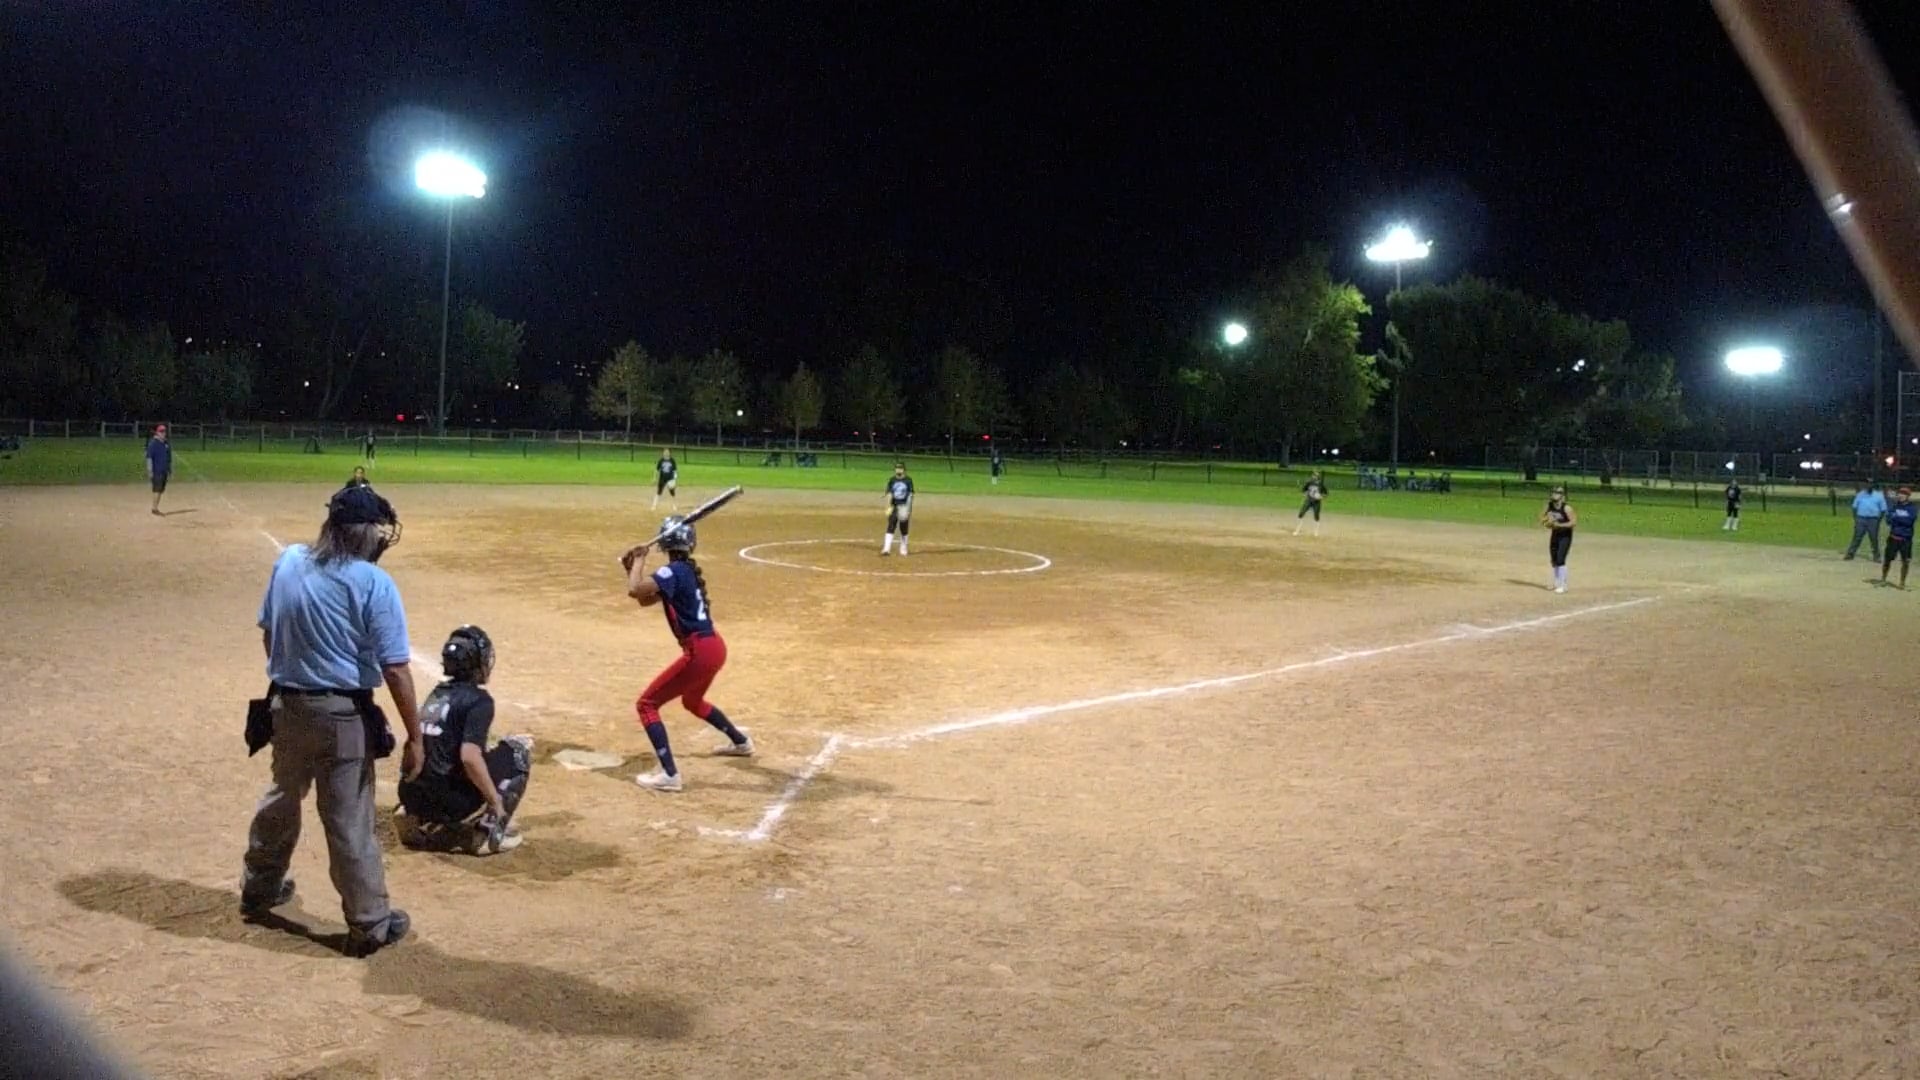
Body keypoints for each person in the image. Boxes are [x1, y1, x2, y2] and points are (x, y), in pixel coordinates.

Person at [241, 484, 420, 957]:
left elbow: (269, 634)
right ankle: (370, 923)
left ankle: (259, 887)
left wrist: (294, 674)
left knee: (282, 796)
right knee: (348, 821)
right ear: (364, 533)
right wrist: (415, 735)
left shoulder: (290, 560)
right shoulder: (372, 582)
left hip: (286, 707)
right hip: (342, 717)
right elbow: (395, 669)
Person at [621, 517, 752, 793]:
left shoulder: (673, 571)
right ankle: (741, 742)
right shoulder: (684, 571)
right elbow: (645, 599)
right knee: (692, 701)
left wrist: (640, 561)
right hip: (714, 647)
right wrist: (631, 568)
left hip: (700, 651)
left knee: (646, 704)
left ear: (665, 542)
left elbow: (635, 590)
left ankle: (670, 775)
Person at [396, 626, 532, 854]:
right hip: (450, 803)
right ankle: (488, 835)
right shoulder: (479, 700)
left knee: (440, 751)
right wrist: (495, 802)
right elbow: (469, 757)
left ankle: (412, 815)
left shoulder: (437, 694)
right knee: (518, 751)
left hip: (413, 795)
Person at [1540, 486, 1577, 594]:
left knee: (1561, 559)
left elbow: (1573, 522)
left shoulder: (1566, 508)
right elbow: (1541, 517)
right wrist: (1547, 521)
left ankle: (1563, 585)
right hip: (1555, 534)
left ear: (1562, 496)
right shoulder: (1549, 506)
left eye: (1557, 493)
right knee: (1554, 559)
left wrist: (1559, 525)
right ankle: (1557, 583)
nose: (1554, 495)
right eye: (1553, 493)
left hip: (1565, 536)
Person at [1880, 486, 1915, 590]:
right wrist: (1897, 517)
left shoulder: (1912, 508)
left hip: (1905, 539)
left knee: (1905, 561)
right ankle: (1883, 579)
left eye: (1904, 494)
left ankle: (1902, 582)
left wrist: (1896, 517)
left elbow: (1909, 521)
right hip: (1893, 537)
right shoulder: (1894, 506)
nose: (1901, 495)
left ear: (1908, 496)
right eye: (1900, 493)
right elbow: (1888, 521)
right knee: (1887, 560)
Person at [1845, 481, 1887, 560]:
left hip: (1873, 520)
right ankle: (1850, 554)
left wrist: (1878, 520)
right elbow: (1854, 507)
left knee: (1873, 538)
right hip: (1861, 518)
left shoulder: (1879, 496)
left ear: (1873, 485)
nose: (1869, 486)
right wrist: (1856, 518)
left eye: (1871, 484)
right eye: (1867, 484)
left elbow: (1883, 509)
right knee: (1857, 537)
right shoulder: (1860, 495)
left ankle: (1876, 556)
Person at [882, 462, 915, 556]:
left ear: (904, 470)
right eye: (897, 468)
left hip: (904, 506)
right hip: (894, 506)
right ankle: (886, 548)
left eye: (900, 468)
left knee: (903, 527)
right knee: (891, 525)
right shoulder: (892, 480)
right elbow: (890, 494)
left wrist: (909, 509)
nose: (898, 470)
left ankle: (903, 547)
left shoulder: (908, 480)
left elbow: (911, 495)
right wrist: (888, 506)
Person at [145, 423, 171, 515]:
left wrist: (169, 470)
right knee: (157, 489)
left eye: (164, 431)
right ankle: (154, 509)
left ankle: (155, 507)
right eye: (161, 431)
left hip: (164, 470)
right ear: (157, 432)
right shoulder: (153, 444)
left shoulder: (166, 444)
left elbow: (169, 458)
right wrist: (150, 471)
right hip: (157, 471)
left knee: (161, 490)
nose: (163, 433)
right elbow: (149, 458)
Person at [1295, 471, 1327, 536]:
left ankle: (1316, 532)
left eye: (1315, 476)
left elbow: (1325, 494)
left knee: (1316, 516)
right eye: (1313, 475)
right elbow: (1304, 490)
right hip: (1309, 500)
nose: (1313, 477)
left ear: (1318, 477)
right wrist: (1305, 494)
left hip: (1317, 502)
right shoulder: (1309, 483)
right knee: (1301, 514)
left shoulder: (1321, 485)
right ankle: (1297, 530)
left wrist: (1321, 497)